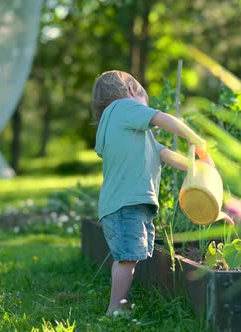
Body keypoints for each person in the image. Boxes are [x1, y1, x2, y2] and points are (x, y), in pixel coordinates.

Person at [91, 70, 212, 315]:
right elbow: (160, 118)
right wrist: (195, 138)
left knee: (128, 256)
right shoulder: (122, 108)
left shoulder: (122, 129)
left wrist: (195, 166)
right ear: (131, 91)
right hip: (126, 204)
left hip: (126, 204)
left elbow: (162, 152)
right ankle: (116, 308)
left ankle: (120, 305)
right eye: (144, 104)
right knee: (126, 258)